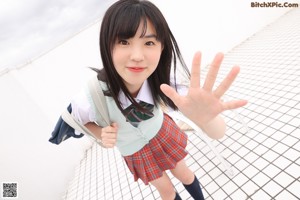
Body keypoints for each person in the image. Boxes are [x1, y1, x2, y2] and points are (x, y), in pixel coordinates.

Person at [49, 0, 247, 199]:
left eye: (149, 43)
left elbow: (218, 132)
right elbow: (74, 120)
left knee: (185, 175)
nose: (137, 56)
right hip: (135, 152)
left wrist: (206, 118)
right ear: (107, 45)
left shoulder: (164, 82)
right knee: (167, 191)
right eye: (124, 42)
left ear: (162, 48)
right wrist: (101, 133)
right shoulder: (91, 95)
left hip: (161, 134)